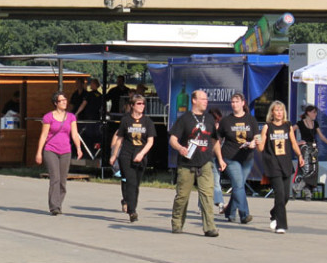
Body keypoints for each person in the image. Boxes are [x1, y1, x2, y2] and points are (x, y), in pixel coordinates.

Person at [169, 90, 226, 237]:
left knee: (207, 195)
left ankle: (210, 227)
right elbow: (173, 139)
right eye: (202, 99)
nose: (206, 102)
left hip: (205, 162)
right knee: (182, 196)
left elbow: (214, 141)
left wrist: (220, 159)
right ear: (194, 100)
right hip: (186, 163)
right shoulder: (184, 119)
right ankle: (177, 223)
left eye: (206, 99)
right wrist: (180, 148)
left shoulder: (209, 119)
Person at [257, 101, 305, 234]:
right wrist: (257, 142)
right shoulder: (267, 127)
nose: (279, 113)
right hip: (272, 163)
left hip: (285, 162)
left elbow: (294, 143)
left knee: (285, 197)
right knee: (279, 193)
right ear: (272, 112)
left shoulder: (288, 126)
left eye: (281, 110)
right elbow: (261, 147)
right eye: (276, 110)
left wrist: (300, 156)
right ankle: (281, 225)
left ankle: (274, 213)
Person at [35, 91, 83, 215]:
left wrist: (78, 148)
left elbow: (74, 134)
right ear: (56, 103)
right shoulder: (48, 117)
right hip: (51, 150)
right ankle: (54, 207)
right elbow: (44, 135)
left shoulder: (71, 117)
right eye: (61, 101)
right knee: (55, 178)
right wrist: (39, 152)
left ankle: (58, 203)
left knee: (62, 180)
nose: (64, 102)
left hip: (66, 151)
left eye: (65, 100)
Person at [109, 93, 155, 222]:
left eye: (143, 104)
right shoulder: (126, 120)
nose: (142, 106)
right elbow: (120, 138)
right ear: (132, 105)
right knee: (130, 181)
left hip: (141, 155)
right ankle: (132, 211)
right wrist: (114, 155)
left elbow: (150, 141)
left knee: (136, 185)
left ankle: (131, 205)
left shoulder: (147, 121)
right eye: (139, 104)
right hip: (126, 154)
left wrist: (141, 154)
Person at [218, 93, 260, 224]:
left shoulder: (250, 119)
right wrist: (219, 159)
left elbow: (257, 136)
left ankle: (230, 212)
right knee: (238, 184)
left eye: (236, 101)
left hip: (247, 158)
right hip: (230, 157)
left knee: (239, 186)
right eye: (232, 102)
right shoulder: (226, 121)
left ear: (243, 103)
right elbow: (218, 141)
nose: (234, 104)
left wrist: (254, 142)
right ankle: (244, 214)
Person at [295, 105, 327, 200]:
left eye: (316, 112)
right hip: (304, 148)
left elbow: (321, 136)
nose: (315, 114)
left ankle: (304, 189)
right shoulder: (300, 123)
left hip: (313, 148)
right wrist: (297, 142)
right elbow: (289, 131)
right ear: (308, 113)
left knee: (314, 170)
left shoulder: (315, 123)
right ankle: (304, 191)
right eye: (314, 112)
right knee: (307, 169)